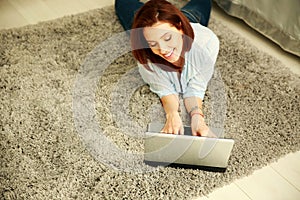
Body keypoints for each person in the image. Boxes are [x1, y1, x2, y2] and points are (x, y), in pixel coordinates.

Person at [115, 0, 219, 137]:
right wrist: (172, 114)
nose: (163, 50)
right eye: (153, 43)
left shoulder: (207, 43)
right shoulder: (146, 54)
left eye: (168, 38)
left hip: (188, 20)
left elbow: (196, 86)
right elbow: (165, 90)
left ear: (180, 28)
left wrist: (197, 117)